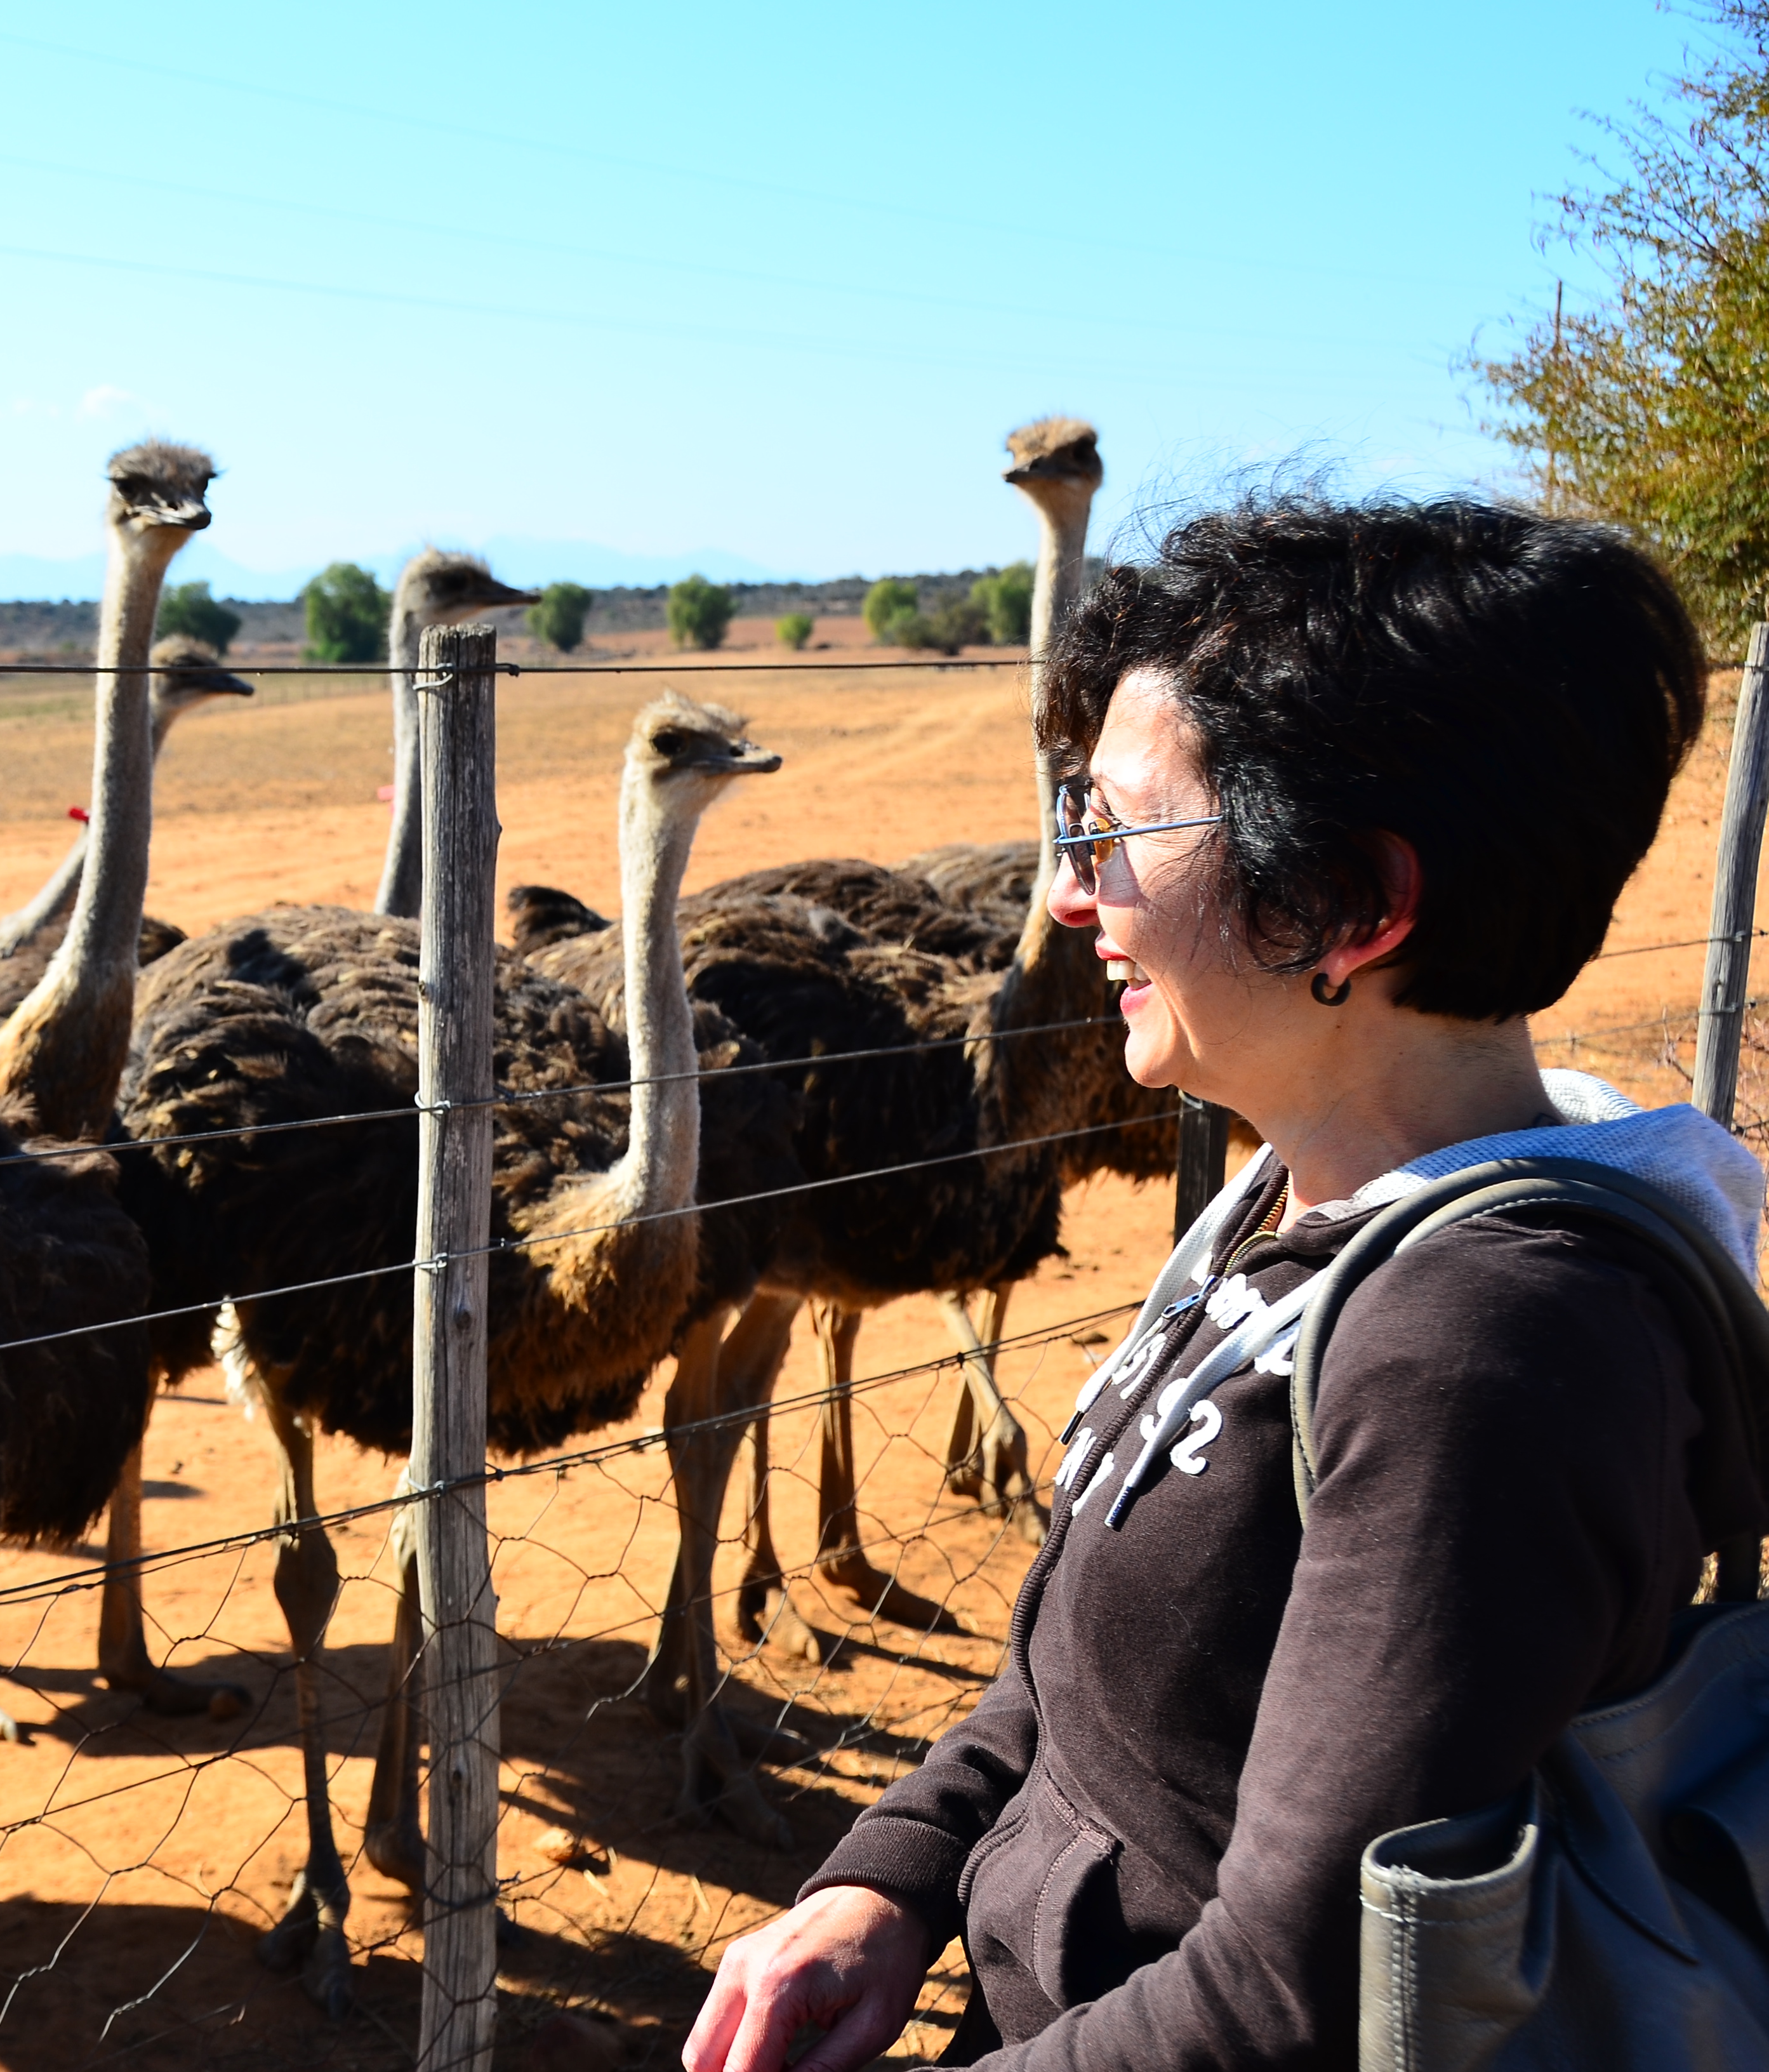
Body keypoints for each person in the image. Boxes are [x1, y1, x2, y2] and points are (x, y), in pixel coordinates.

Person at [684, 495, 1768, 2071]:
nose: (1073, 895)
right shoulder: (1302, 1201)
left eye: (1113, 833)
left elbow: (1293, 1992)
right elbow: (1096, 1678)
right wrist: (892, 1877)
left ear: (1345, 905)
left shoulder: (1484, 1349)